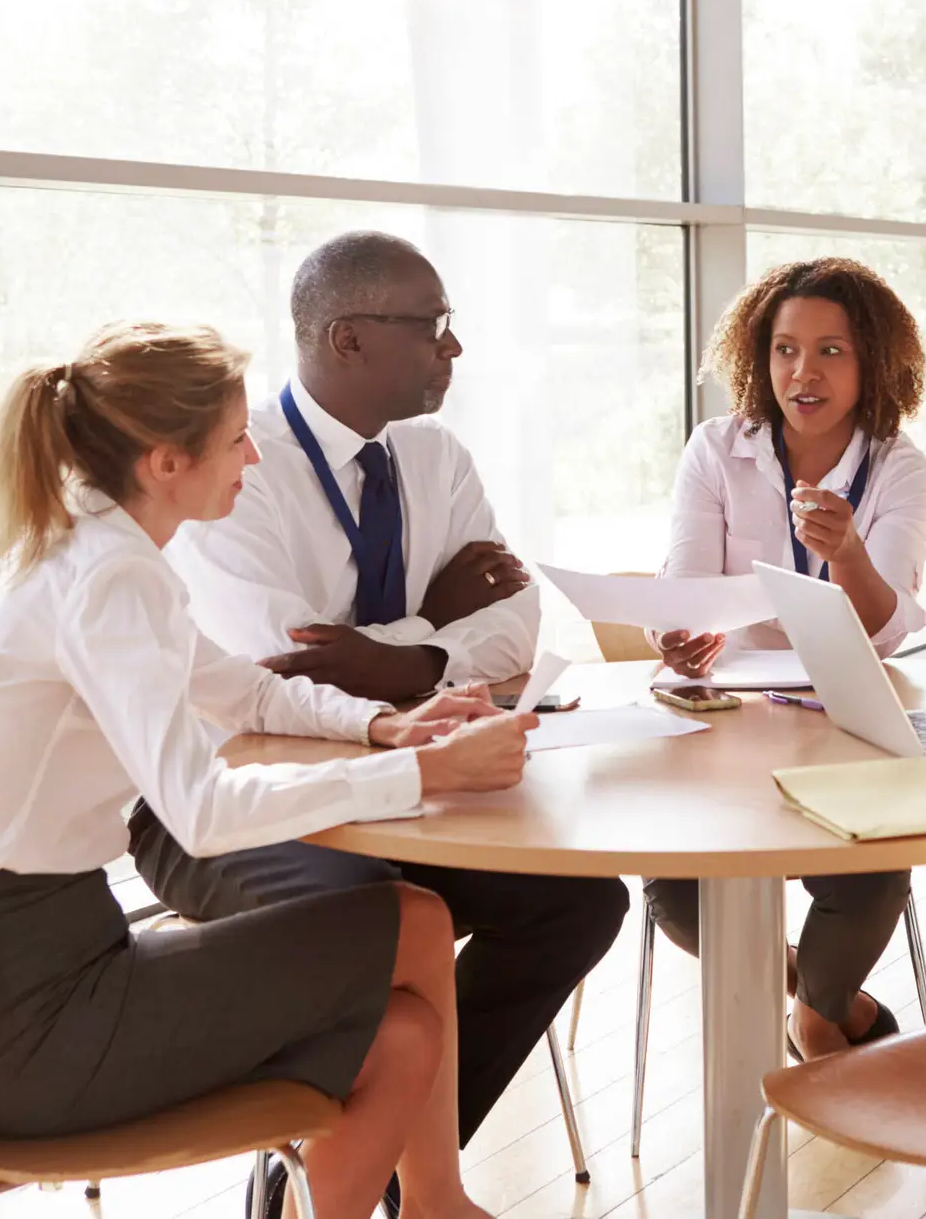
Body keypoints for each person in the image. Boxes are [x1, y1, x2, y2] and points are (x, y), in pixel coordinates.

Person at [0, 322, 538, 1219]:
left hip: (44, 963)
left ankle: (435, 1204)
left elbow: (242, 692)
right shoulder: (107, 582)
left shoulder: (111, 560)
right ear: (167, 461)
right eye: (238, 440)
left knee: (403, 1029)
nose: (253, 457)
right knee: (417, 925)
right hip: (20, 1018)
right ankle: (438, 1204)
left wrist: (390, 729)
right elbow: (199, 813)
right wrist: (425, 777)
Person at [138, 232, 629, 1159]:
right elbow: (276, 666)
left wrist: (399, 659)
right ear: (347, 339)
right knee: (383, 913)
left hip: (410, 768)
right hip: (235, 803)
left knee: (581, 902)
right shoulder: (237, 463)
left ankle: (393, 1178)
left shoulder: (437, 456)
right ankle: (335, 1175)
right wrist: (438, 625)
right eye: (431, 326)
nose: (452, 349)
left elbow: (518, 625)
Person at [644, 257, 926, 1059]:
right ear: (757, 356)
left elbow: (885, 628)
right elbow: (689, 583)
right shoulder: (716, 448)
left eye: (832, 351)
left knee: (873, 868)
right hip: (729, 718)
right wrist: (676, 631)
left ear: (874, 362)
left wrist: (847, 553)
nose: (803, 372)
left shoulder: (898, 466)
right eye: (784, 350)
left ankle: (817, 1016)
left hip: (844, 707)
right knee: (677, 896)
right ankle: (821, 995)